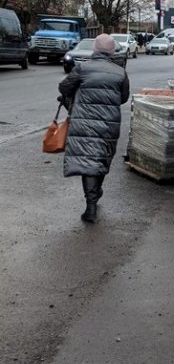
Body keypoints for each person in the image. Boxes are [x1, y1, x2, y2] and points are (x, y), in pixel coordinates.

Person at [58, 33, 130, 223]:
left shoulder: (82, 69)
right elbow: (123, 98)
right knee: (100, 160)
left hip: (84, 123)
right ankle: (95, 194)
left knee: (87, 163)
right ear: (113, 51)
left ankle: (91, 207)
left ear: (95, 49)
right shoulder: (120, 73)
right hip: (109, 124)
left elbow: (64, 88)